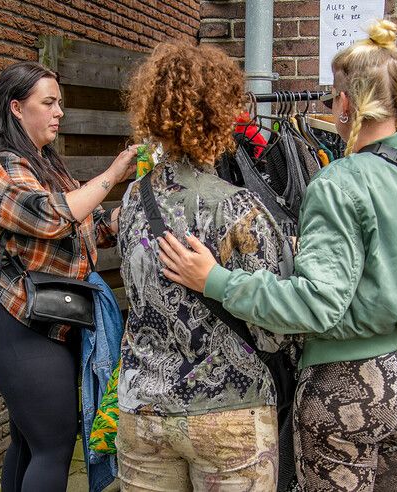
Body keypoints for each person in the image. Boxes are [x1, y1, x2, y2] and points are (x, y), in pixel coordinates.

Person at [158, 20, 397, 491]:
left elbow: (315, 306)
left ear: (347, 104)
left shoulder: (338, 183)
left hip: (353, 383)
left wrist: (216, 281)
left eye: (333, 97)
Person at [115, 41, 299, 491]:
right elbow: (273, 328)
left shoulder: (133, 201)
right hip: (228, 412)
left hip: (143, 412)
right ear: (221, 113)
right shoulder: (238, 208)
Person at [0, 61, 137, 491]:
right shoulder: (0, 166)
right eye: (49, 102)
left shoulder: (45, 163)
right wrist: (114, 174)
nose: (60, 112)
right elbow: (52, 218)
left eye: (61, 103)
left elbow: (89, 226)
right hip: (10, 312)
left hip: (40, 314)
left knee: (29, 440)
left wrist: (143, 205)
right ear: (17, 108)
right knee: (54, 442)